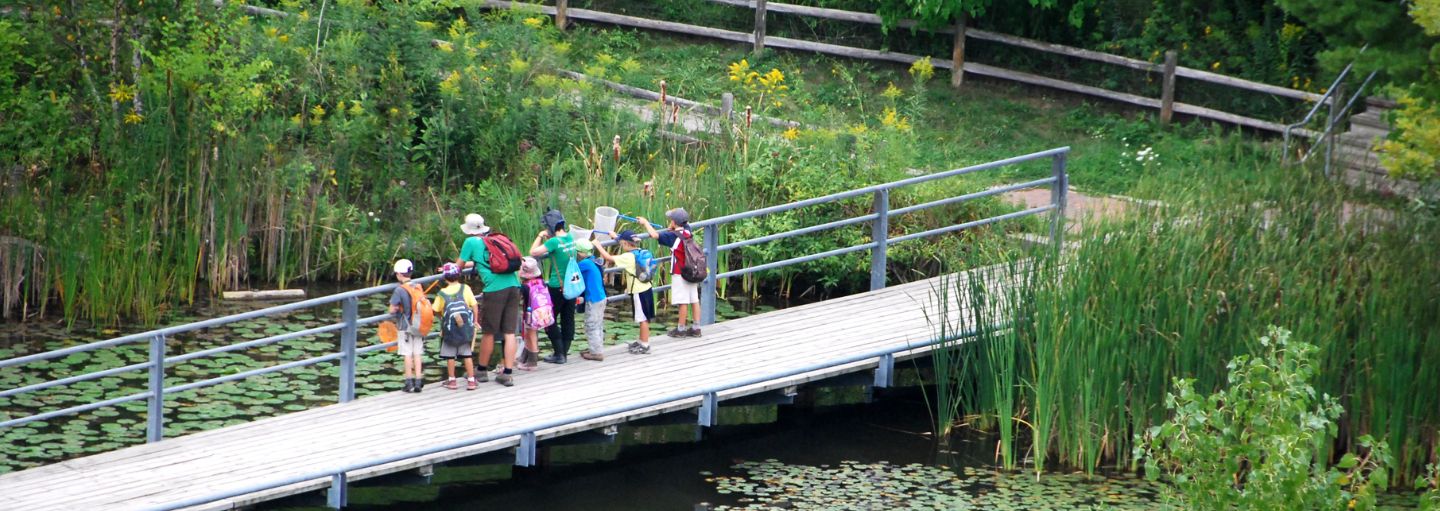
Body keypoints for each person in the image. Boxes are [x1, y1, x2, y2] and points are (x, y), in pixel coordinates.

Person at [454, 213, 517, 387]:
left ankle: (481, 371)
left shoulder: (470, 242)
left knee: (489, 331)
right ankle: (507, 373)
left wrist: (450, 268)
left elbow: (458, 266)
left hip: (495, 289)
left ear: (468, 229)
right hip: (513, 284)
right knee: (509, 332)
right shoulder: (493, 240)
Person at [636, 208, 702, 337]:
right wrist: (672, 227)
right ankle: (696, 327)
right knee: (694, 299)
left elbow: (655, 235)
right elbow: (681, 227)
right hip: (692, 269)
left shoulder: (671, 236)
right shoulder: (688, 230)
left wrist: (645, 223)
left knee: (683, 301)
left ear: (674, 222)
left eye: (671, 220)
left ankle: (681, 329)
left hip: (680, 272)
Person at [528, 209, 579, 364]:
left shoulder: (553, 242)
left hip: (557, 286)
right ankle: (564, 351)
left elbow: (533, 252)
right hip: (572, 285)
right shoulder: (570, 237)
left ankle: (559, 353)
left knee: (548, 319)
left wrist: (540, 236)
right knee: (568, 318)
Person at [602, 229, 655, 354]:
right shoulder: (639, 252)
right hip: (646, 287)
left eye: (622, 243)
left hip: (638, 291)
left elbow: (608, 257)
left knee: (642, 318)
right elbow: (624, 241)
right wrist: (616, 237)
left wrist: (598, 245)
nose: (621, 245)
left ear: (625, 244)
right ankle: (642, 340)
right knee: (644, 317)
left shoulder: (627, 257)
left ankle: (645, 344)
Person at [431, 263, 480, 390]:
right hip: (464, 329)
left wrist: (442, 318)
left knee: (450, 356)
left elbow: (435, 309)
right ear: (459, 275)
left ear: (445, 278)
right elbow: (474, 305)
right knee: (467, 355)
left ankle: (452, 380)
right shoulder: (465, 288)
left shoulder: (442, 293)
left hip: (449, 329)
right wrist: (475, 320)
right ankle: (471, 380)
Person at [388, 259, 426, 393]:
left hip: (405, 326)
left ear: (399, 274)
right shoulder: (418, 285)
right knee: (417, 353)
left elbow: (392, 309)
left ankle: (408, 382)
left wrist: (395, 309)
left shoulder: (399, 290)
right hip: (419, 325)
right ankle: (418, 381)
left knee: (407, 354)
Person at [574, 239, 609, 361]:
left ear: (581, 253)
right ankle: (596, 348)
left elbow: (572, 270)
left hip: (593, 299)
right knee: (598, 323)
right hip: (601, 297)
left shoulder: (584, 264)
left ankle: (596, 353)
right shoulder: (593, 260)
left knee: (591, 324)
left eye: (577, 252)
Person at [516, 257, 546, 370]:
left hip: (529, 314)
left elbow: (517, 298)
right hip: (540, 313)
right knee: (531, 335)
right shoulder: (541, 282)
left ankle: (532, 363)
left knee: (531, 336)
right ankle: (527, 360)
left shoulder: (525, 286)